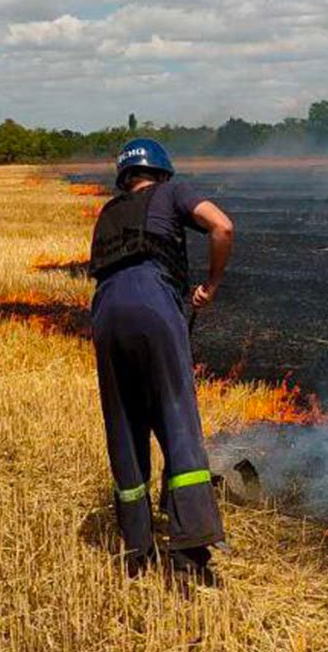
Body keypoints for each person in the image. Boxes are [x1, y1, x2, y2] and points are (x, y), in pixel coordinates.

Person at [89, 138, 235, 584]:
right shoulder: (172, 193)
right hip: (153, 303)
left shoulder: (108, 212)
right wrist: (210, 285)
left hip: (105, 313)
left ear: (125, 177)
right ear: (162, 173)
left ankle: (136, 550)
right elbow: (222, 227)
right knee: (176, 415)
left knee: (125, 425)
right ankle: (190, 549)